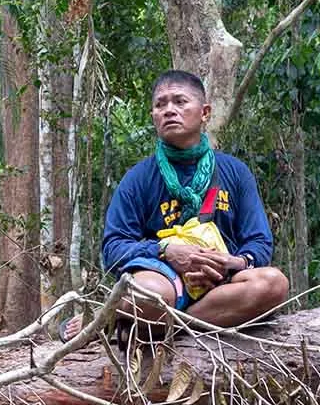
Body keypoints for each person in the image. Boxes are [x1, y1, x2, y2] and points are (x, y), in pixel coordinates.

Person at [62, 70, 289, 340]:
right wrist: (166, 251)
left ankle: (146, 324)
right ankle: (147, 316)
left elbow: (259, 242)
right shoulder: (138, 178)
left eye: (180, 102)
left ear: (204, 112)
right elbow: (113, 248)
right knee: (150, 296)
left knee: (274, 284)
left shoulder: (235, 172)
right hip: (165, 281)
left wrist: (230, 262)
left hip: (221, 285)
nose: (169, 110)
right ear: (153, 117)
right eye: (161, 104)